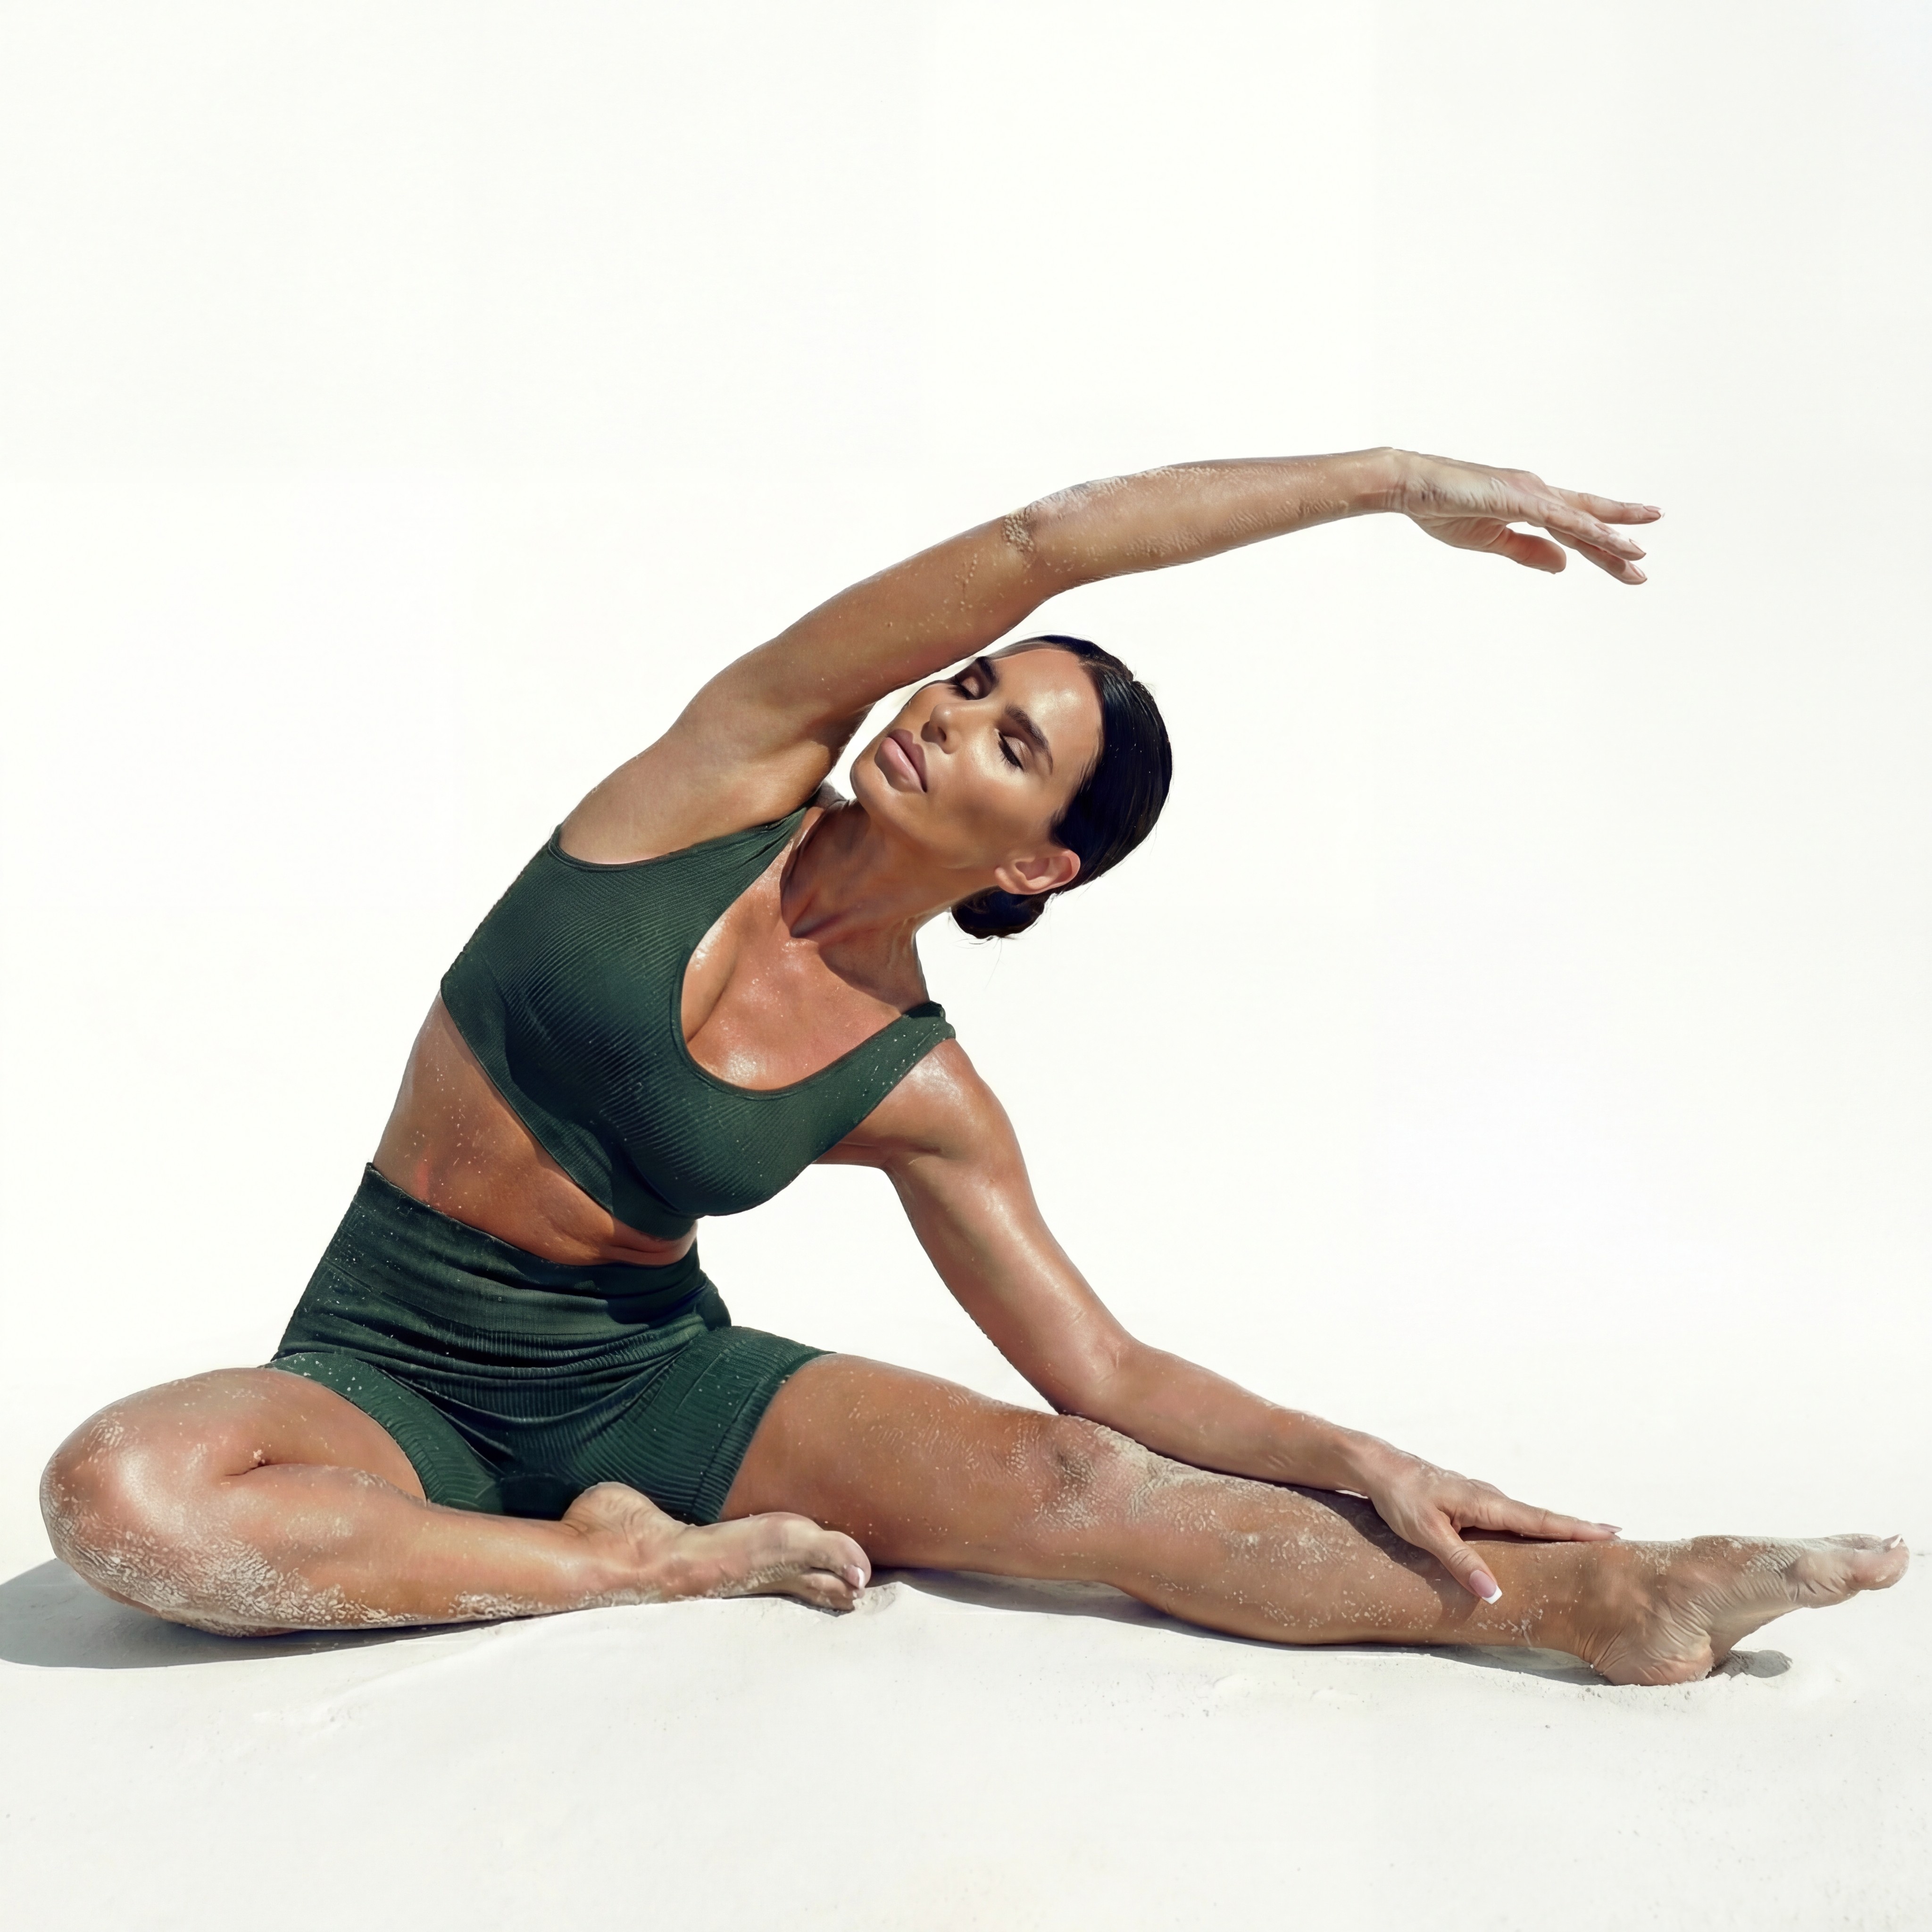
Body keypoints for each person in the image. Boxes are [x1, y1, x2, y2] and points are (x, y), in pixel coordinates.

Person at [38, 448, 1906, 1684]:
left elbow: (1099, 1366)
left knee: (1077, 1485)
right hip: (386, 1364)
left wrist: (1350, 1448)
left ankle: (1604, 1605)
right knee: (121, 1495)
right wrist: (1384, 483)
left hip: (648, 1388)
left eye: (1011, 745)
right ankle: (626, 1569)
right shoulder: (728, 768)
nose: (949, 719)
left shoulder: (916, 1084)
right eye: (969, 688)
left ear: (1035, 861)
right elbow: (1043, 543)